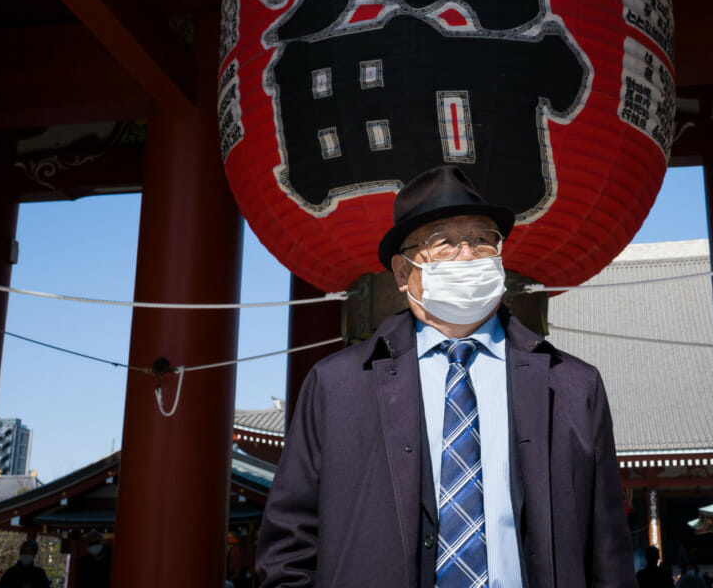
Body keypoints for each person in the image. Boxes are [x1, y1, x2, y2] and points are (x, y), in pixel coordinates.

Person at [256, 165, 636, 587]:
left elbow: (608, 552)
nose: (468, 256)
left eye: (482, 240)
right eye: (444, 243)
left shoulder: (571, 385)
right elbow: (289, 545)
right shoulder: (337, 385)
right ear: (403, 274)